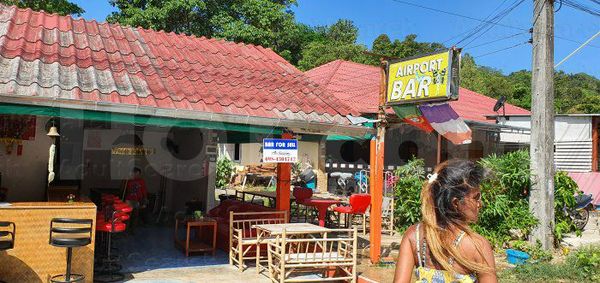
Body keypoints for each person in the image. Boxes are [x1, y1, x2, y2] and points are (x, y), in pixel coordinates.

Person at [393, 159, 497, 283]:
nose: (480, 203)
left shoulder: (413, 236)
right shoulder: (477, 246)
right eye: (476, 197)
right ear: (455, 203)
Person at [124, 167, 148, 232]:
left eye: (138, 173)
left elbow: (144, 191)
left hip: (137, 200)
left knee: (135, 216)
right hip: (128, 200)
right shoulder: (128, 180)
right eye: (135, 173)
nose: (137, 175)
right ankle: (126, 230)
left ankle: (133, 230)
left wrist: (144, 199)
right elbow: (124, 190)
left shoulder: (141, 181)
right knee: (127, 216)